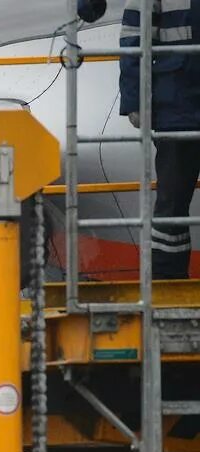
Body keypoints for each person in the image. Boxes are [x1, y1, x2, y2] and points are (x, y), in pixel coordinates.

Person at [119, 0, 200, 279]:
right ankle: (167, 284)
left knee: (172, 204)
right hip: (177, 106)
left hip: (177, 103)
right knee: (172, 205)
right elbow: (134, 34)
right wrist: (134, 99)